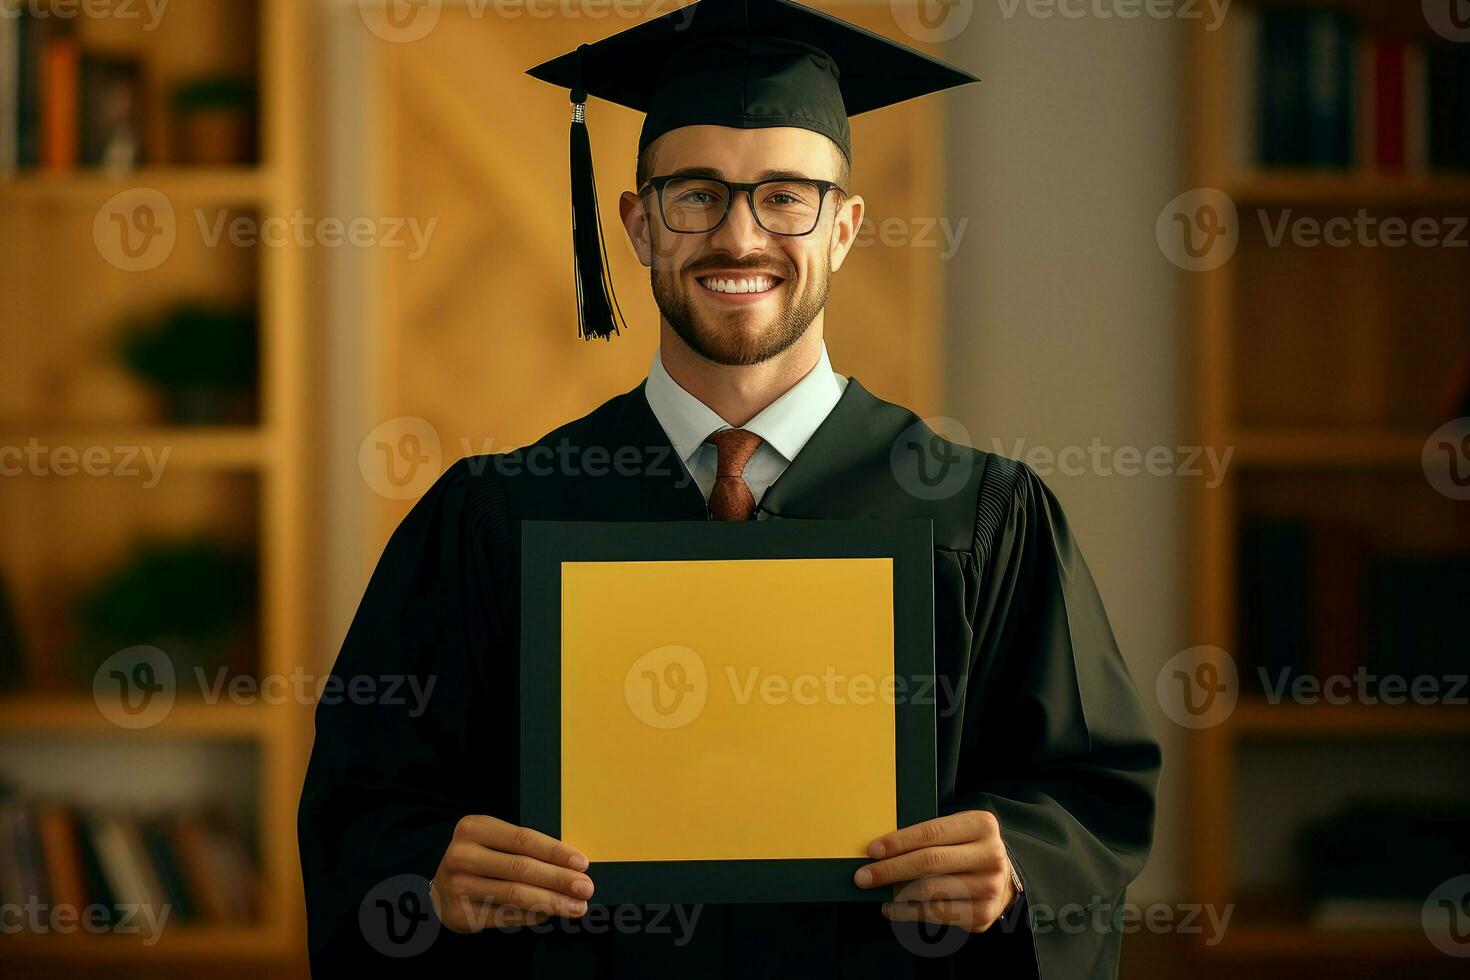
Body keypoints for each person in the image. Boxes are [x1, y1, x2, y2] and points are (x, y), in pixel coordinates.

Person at [298, 0, 1161, 976]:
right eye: (695, 194)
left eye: (787, 196)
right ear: (635, 223)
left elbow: (1092, 790)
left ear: (845, 227)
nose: (740, 235)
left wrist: (1017, 860)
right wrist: (426, 878)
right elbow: (364, 803)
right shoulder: (496, 515)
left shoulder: (982, 514)